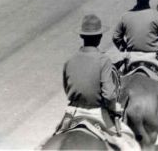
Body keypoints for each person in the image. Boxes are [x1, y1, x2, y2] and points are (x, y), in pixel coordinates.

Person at [55, 15, 138, 151]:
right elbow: (110, 95)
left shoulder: (69, 62)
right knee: (130, 146)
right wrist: (113, 108)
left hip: (73, 113)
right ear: (99, 37)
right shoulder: (103, 61)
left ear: (82, 36)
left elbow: (67, 89)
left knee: (47, 142)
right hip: (98, 113)